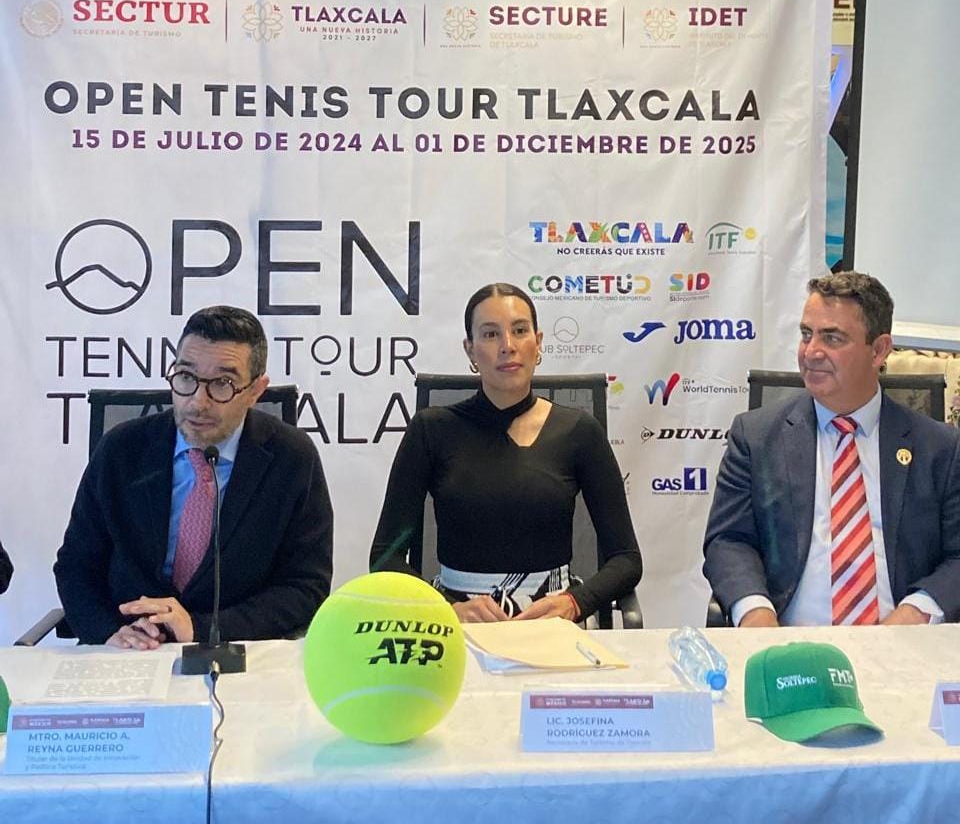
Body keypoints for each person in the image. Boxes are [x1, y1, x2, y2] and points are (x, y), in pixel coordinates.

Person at [54, 306, 333, 648]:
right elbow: (76, 564)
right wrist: (107, 633)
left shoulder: (291, 458)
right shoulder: (121, 450)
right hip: (128, 651)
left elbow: (306, 586)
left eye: (223, 383)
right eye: (186, 377)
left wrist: (203, 629)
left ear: (256, 391)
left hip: (236, 651)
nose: (198, 402)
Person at [369, 282, 642, 623]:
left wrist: (575, 602)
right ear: (470, 350)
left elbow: (626, 559)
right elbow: (386, 556)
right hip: (457, 622)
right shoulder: (431, 430)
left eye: (519, 331)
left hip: (552, 622)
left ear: (538, 343)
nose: (507, 346)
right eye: (490, 334)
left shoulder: (579, 431)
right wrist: (447, 609)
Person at [704, 271, 960, 627]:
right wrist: (755, 611)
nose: (811, 352)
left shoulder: (940, 448)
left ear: (879, 350)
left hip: (901, 638)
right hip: (789, 637)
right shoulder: (756, 437)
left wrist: (917, 611)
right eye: (806, 334)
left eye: (832, 338)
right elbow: (728, 541)